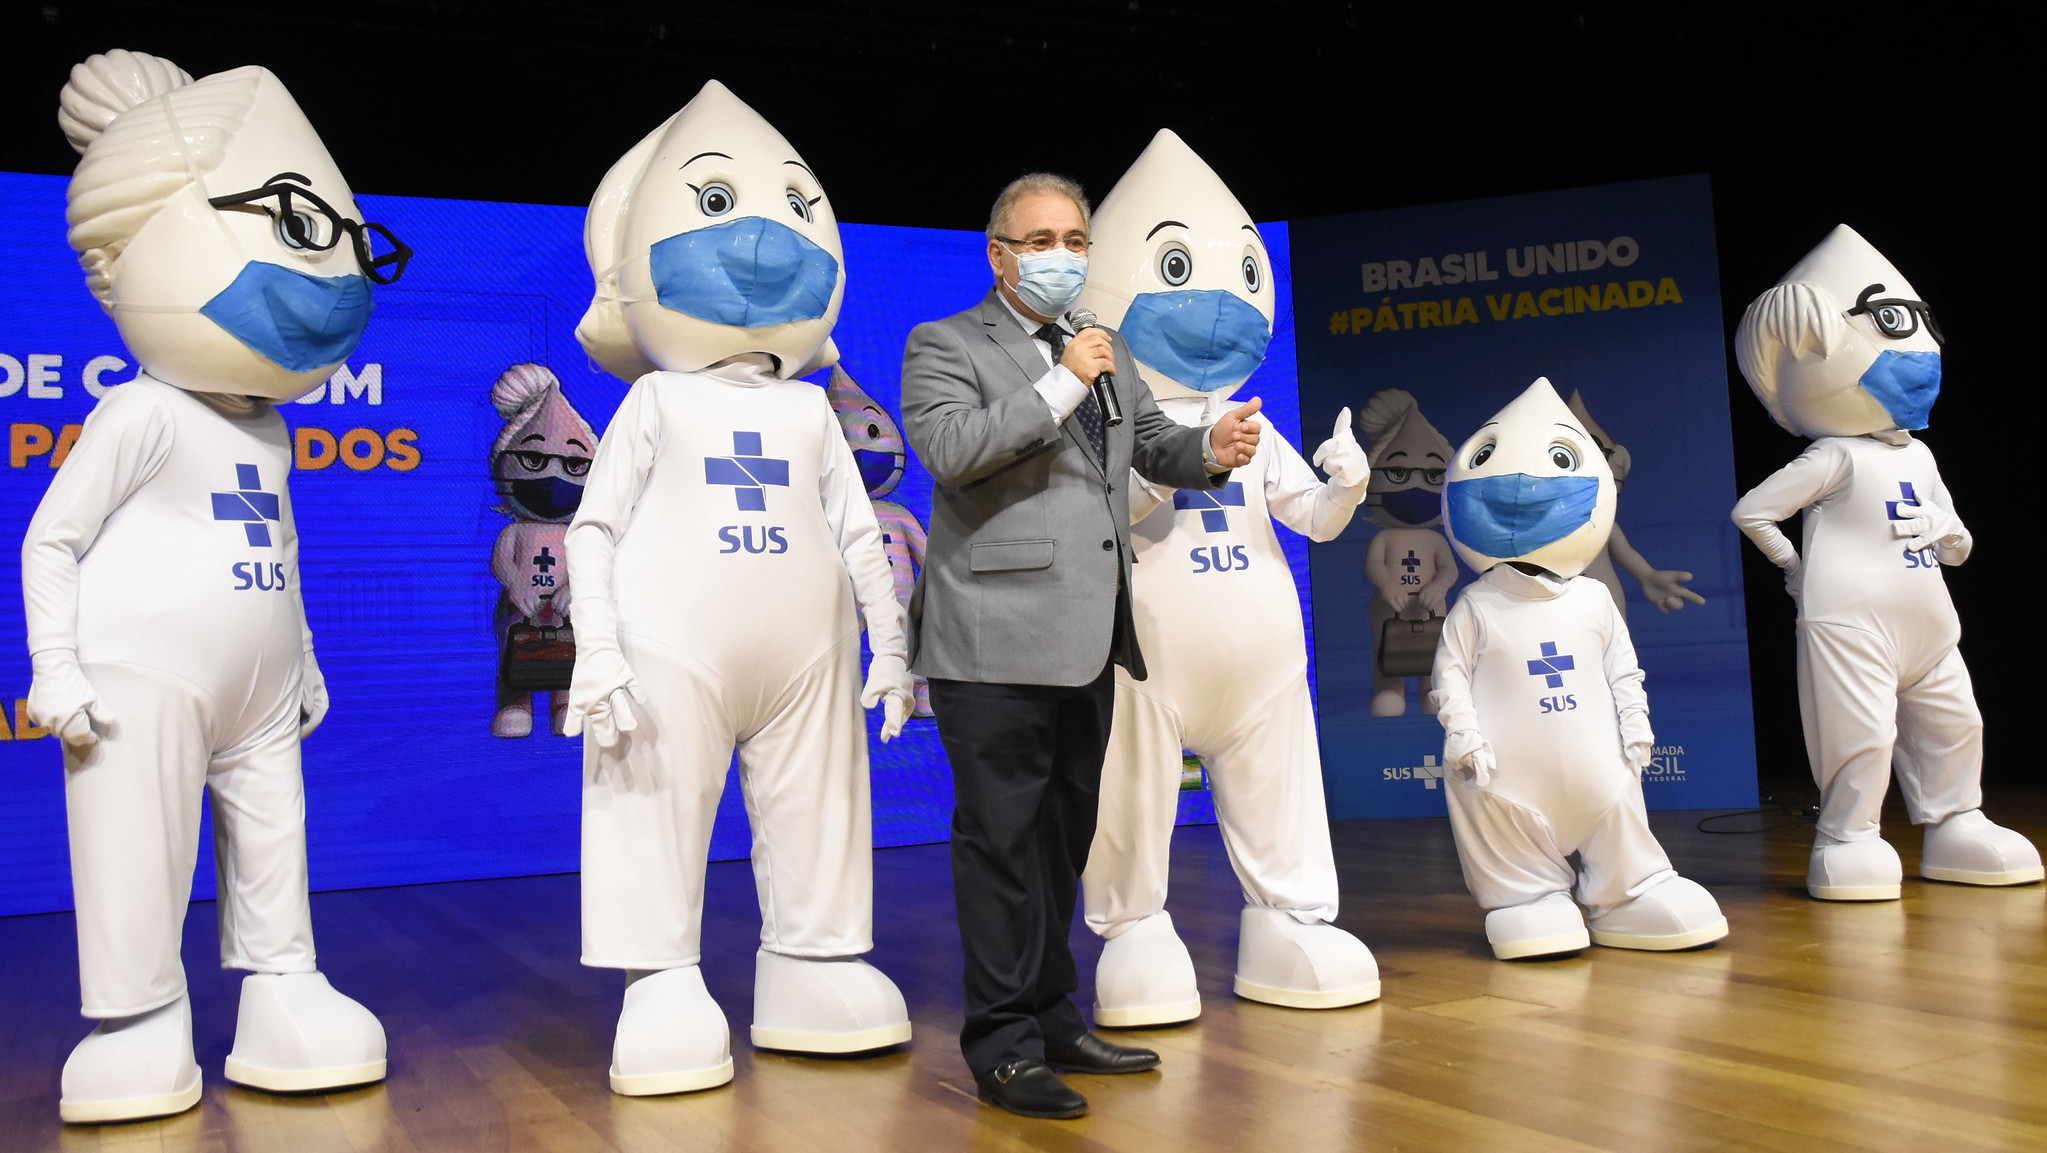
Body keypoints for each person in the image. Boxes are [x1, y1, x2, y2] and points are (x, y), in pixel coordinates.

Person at [899, 173, 1262, 1119]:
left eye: (1075, 238)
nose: (1061, 255)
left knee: (1061, 843)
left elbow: (1149, 446)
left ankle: (1053, 1015)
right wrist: (1064, 381)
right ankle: (1002, 1046)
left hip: (1087, 637)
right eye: (1041, 239)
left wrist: (1210, 448)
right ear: (999, 253)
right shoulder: (944, 344)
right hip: (990, 642)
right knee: (1000, 846)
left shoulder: (1105, 347)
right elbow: (951, 448)